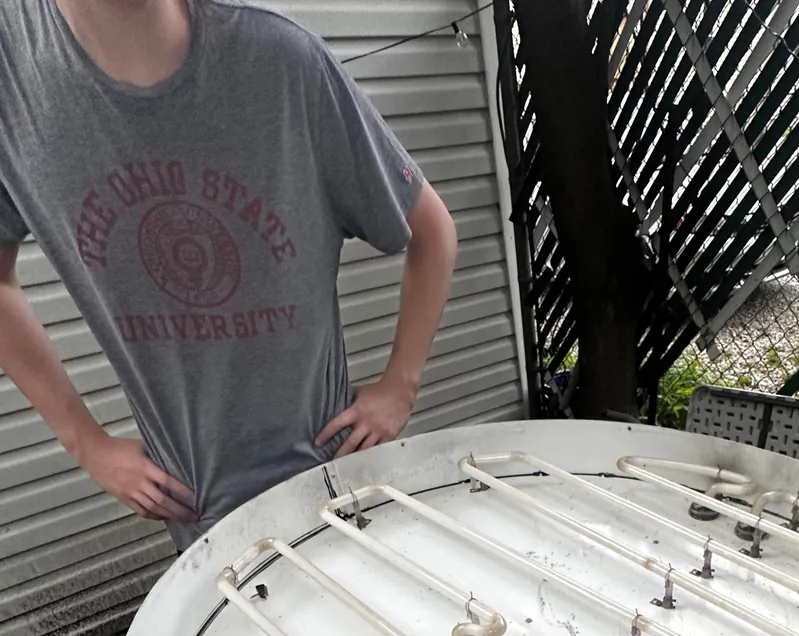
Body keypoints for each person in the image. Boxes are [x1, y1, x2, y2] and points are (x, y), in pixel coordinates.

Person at [0, 0, 459, 549]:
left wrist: (399, 389)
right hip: (198, 516)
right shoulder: (14, 72)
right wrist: (86, 444)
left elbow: (432, 230)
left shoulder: (283, 61)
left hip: (335, 484)